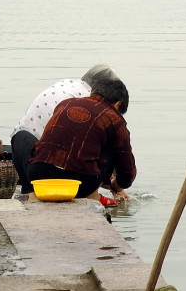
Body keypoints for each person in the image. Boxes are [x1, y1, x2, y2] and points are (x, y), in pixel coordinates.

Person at [10, 65, 129, 201]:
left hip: (37, 170)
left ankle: (31, 194)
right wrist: (116, 186)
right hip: (78, 181)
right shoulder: (99, 106)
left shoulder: (66, 88)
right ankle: (93, 196)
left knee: (19, 136)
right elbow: (125, 169)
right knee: (111, 142)